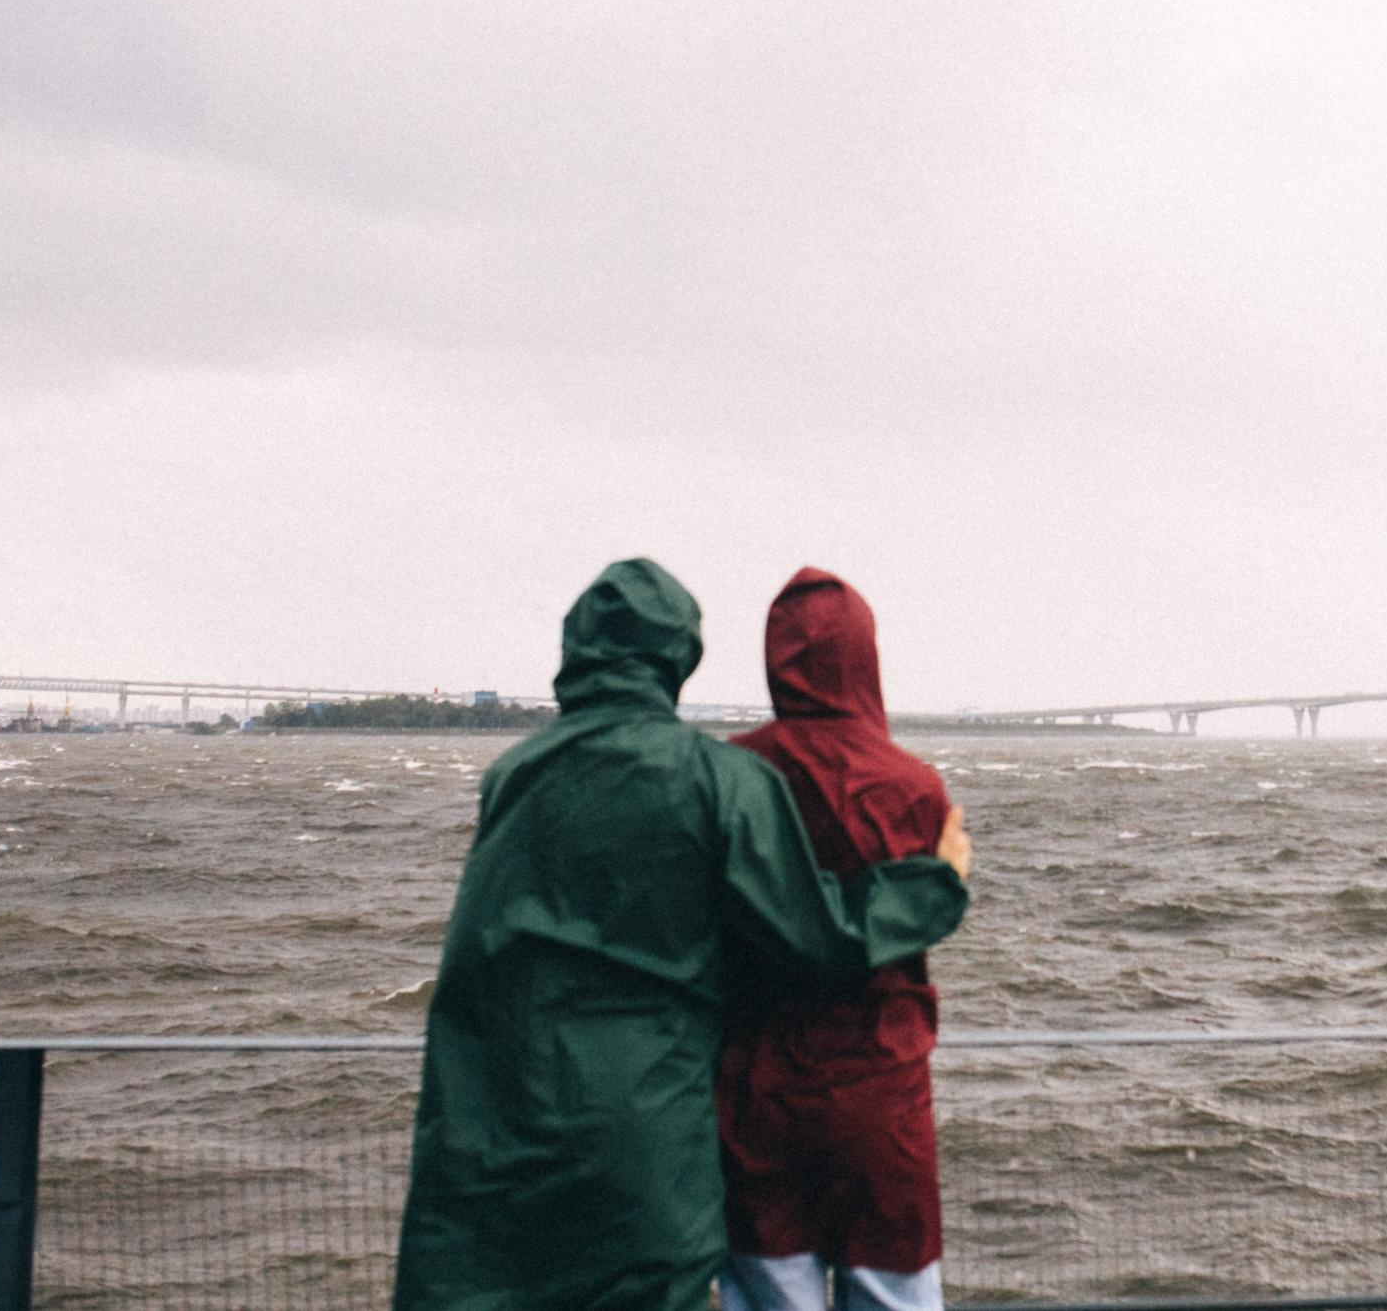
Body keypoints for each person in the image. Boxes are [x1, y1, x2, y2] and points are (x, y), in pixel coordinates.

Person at [392, 559, 971, 1311]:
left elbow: (477, 958)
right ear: (679, 654)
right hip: (654, 1123)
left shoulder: (514, 773)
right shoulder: (721, 779)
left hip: (497, 1113)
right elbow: (816, 930)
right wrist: (935, 883)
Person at [715, 569, 958, 1311]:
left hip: (758, 1097)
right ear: (866, 656)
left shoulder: (731, 775)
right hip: (880, 1096)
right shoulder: (917, 788)